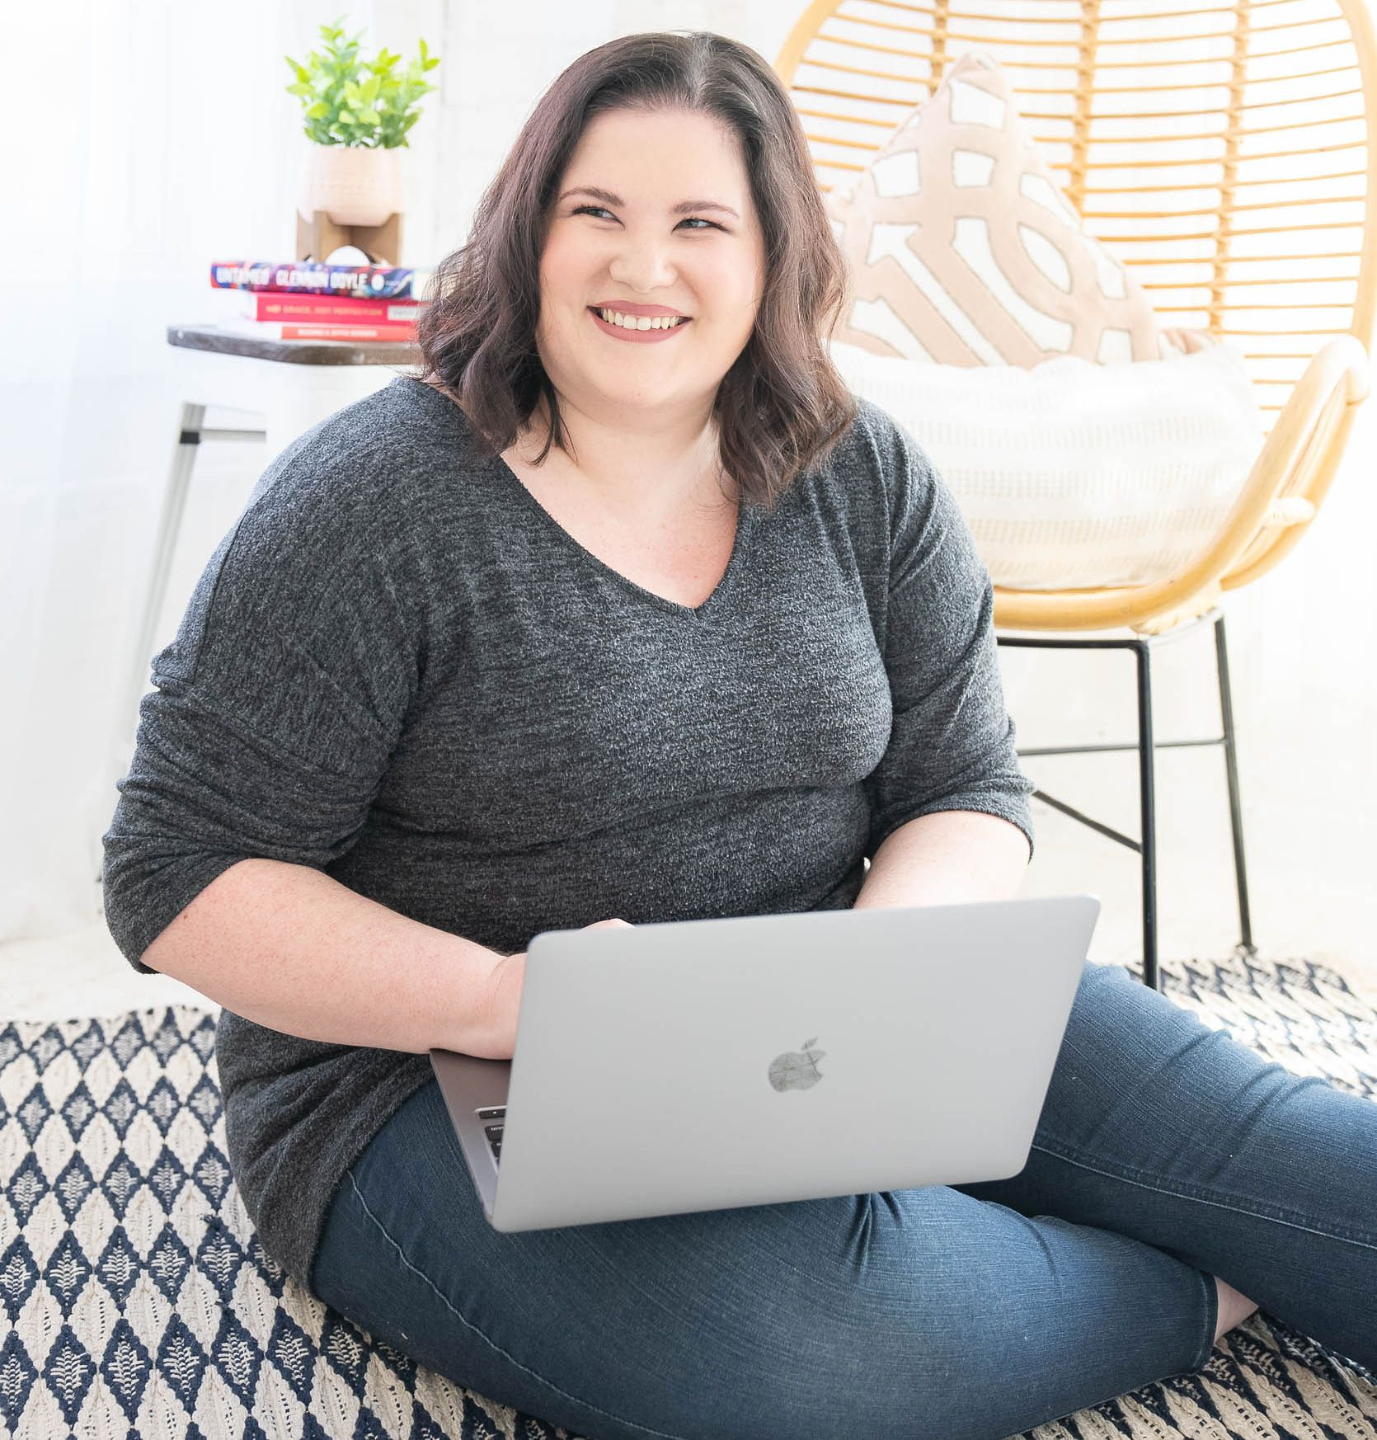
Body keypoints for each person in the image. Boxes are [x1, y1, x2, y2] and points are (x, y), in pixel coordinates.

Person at [101, 29, 1375, 1440]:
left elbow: (963, 786)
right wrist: (509, 1001)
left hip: (830, 1008)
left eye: (700, 224)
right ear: (528, 235)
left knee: (1312, 1167)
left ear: (774, 255)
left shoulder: (861, 469)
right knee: (796, 1353)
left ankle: (1154, 1237)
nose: (642, 266)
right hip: (432, 1072)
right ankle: (1201, 1290)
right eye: (596, 212)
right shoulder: (374, 502)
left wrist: (874, 983)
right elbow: (175, 874)